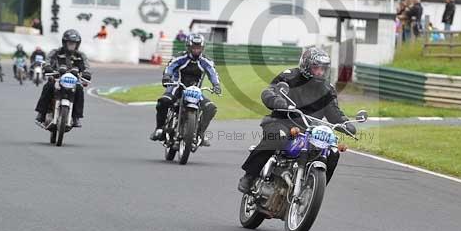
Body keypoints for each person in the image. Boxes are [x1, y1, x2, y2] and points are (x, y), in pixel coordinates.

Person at [238, 47, 356, 193]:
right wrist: (278, 101)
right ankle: (250, 176)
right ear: (306, 65)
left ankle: (313, 191)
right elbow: (269, 91)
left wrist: (346, 123)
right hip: (282, 121)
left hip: (309, 129)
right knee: (277, 137)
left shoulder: (327, 89)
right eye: (316, 68)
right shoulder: (289, 76)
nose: (320, 72)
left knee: (333, 151)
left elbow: (334, 113)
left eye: (323, 69)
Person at [150, 33, 220, 145]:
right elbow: (170, 67)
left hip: (195, 91)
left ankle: (200, 133)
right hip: (177, 87)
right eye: (194, 47)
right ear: (188, 47)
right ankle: (159, 129)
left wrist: (216, 85)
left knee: (211, 108)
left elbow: (213, 73)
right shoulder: (179, 57)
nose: (196, 50)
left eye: (199, 48)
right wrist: (167, 76)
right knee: (163, 102)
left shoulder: (206, 61)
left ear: (202, 48)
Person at [35, 29, 92, 128]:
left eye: (74, 43)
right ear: (64, 43)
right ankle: (41, 114)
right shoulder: (56, 52)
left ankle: (76, 117)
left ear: (77, 44)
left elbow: (87, 66)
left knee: (79, 90)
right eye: (70, 43)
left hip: (74, 80)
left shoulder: (81, 55)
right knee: (48, 87)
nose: (72, 45)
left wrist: (87, 73)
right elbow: (47, 60)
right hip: (56, 78)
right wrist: (47, 67)